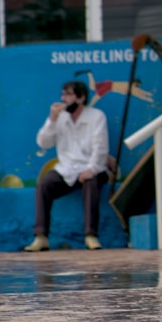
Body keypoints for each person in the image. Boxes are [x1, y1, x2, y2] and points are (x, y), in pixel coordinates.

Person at [23, 80, 110, 252]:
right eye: (63, 94)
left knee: (91, 183)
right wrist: (52, 119)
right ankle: (41, 237)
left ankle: (91, 236)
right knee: (45, 184)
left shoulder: (96, 116)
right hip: (67, 170)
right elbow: (43, 142)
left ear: (81, 97)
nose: (64, 99)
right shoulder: (60, 118)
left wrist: (91, 170)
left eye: (68, 95)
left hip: (93, 167)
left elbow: (100, 148)